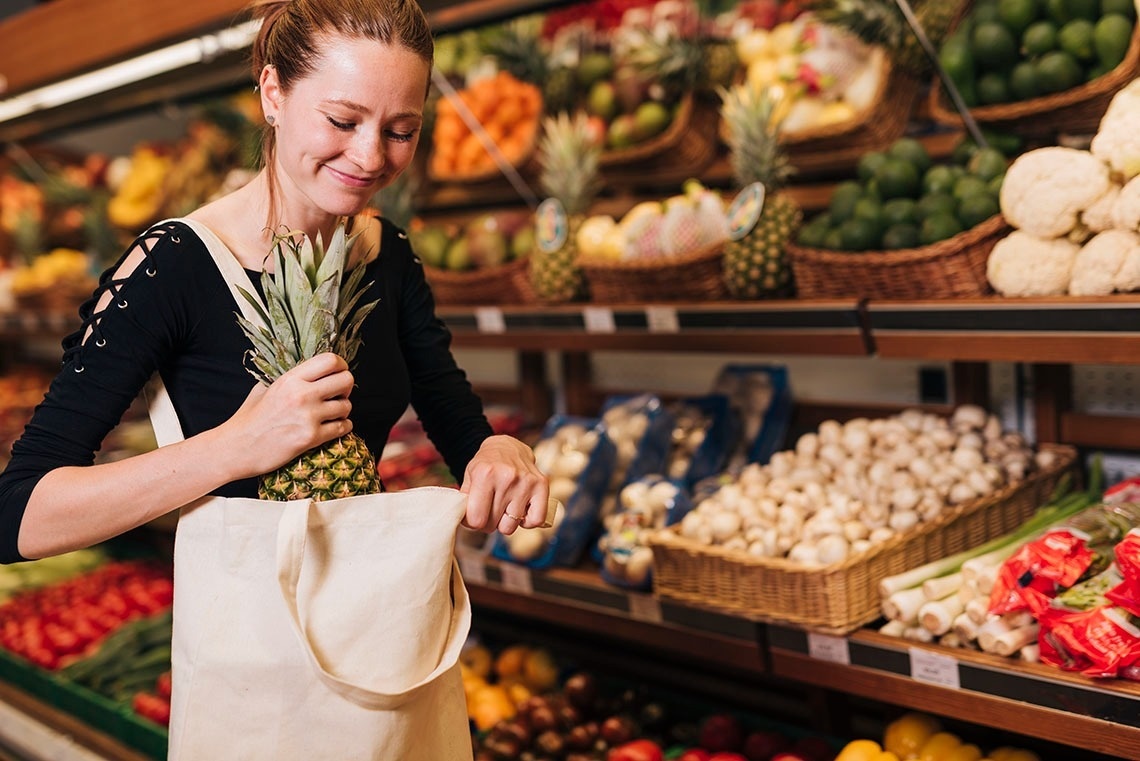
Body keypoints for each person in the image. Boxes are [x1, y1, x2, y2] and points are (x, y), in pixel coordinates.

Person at [0, 0, 550, 568]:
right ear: (273, 93)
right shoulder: (171, 265)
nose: (369, 157)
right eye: (342, 121)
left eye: (401, 131)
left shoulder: (387, 255)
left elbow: (458, 424)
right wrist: (233, 449)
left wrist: (498, 451)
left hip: (372, 622)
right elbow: (17, 515)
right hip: (246, 641)